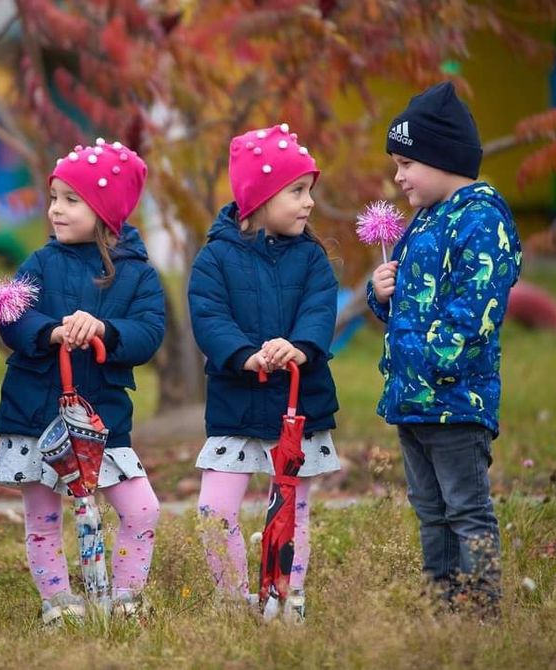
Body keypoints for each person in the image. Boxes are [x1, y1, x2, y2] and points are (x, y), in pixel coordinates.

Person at [0, 139, 165, 623]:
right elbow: (10, 314)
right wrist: (49, 331)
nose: (55, 211)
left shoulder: (137, 275)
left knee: (141, 510)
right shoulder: (41, 263)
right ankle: (59, 602)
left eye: (71, 200)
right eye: (54, 198)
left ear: (106, 210)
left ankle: (126, 596)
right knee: (44, 516)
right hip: (38, 413)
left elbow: (150, 332)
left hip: (101, 418)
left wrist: (106, 330)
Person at [367, 81, 522, 616]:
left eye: (407, 162)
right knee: (430, 511)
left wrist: (434, 360)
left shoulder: (482, 219)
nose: (398, 175)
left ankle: (479, 611)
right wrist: (381, 292)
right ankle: (442, 606)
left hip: (456, 401)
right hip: (413, 399)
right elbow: (410, 303)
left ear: (444, 158)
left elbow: (476, 305)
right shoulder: (423, 222)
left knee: (465, 510)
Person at [187, 123, 341, 624]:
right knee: (215, 508)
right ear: (260, 196)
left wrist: (297, 347)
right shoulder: (215, 258)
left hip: (297, 406)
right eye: (297, 191)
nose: (309, 203)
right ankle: (232, 600)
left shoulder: (313, 258)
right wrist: (244, 354)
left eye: (309, 192)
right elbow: (208, 316)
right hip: (237, 404)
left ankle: (285, 601)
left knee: (292, 509)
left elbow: (320, 312)